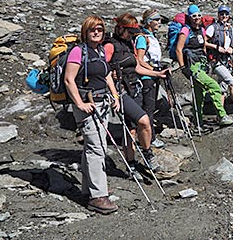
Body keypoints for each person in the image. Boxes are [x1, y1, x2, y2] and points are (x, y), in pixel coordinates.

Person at [63, 15, 120, 214]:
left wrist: (115, 95)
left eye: (100, 30)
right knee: (97, 148)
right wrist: (80, 103)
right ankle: (98, 196)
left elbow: (106, 75)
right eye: (92, 30)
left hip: (102, 102)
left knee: (95, 146)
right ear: (85, 32)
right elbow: (69, 79)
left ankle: (89, 190)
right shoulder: (78, 51)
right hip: (87, 104)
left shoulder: (100, 50)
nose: (96, 32)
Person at [104, 13, 167, 176]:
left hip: (134, 88)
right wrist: (111, 74)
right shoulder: (110, 46)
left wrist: (157, 74)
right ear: (121, 28)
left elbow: (137, 66)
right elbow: (102, 68)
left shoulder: (128, 43)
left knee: (131, 130)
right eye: (130, 32)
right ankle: (148, 154)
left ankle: (131, 165)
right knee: (144, 121)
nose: (133, 35)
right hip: (120, 91)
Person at [174, 4, 233, 128]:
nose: (197, 18)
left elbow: (203, 46)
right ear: (189, 17)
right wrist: (183, 68)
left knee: (199, 93)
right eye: (194, 16)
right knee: (214, 86)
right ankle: (222, 115)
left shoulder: (201, 29)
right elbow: (178, 49)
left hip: (201, 64)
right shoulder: (185, 31)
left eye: (198, 15)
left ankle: (198, 121)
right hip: (192, 66)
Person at [205, 5, 233, 119]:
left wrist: (232, 49)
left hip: (227, 61)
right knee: (231, 82)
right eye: (221, 14)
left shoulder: (230, 29)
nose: (224, 16)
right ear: (218, 15)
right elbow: (203, 42)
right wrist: (216, 47)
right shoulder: (212, 28)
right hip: (216, 61)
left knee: (223, 88)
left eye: (226, 14)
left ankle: (220, 113)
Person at [137, 9, 166, 148]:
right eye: (157, 20)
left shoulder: (151, 36)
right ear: (149, 22)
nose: (159, 22)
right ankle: (150, 138)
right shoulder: (143, 38)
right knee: (148, 107)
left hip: (153, 75)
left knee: (151, 106)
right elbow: (140, 59)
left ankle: (149, 136)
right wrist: (153, 70)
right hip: (147, 76)